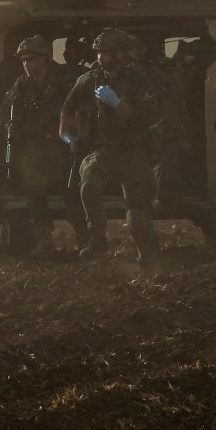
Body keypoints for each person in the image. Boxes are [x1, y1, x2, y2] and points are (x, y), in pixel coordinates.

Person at [61, 28, 163, 266]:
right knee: (88, 183)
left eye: (107, 53)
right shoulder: (90, 79)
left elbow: (149, 116)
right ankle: (97, 240)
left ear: (121, 54)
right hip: (106, 150)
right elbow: (68, 105)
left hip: (134, 150)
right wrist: (64, 133)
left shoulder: (138, 80)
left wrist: (117, 104)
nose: (101, 58)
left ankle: (147, 254)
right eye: (99, 53)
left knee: (137, 207)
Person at [0, 36, 83, 254]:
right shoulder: (22, 83)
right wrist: (10, 124)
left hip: (64, 145)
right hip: (35, 147)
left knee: (72, 194)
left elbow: (81, 109)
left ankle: (85, 240)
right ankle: (44, 240)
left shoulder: (65, 80)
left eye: (32, 59)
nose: (27, 64)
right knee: (33, 190)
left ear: (45, 59)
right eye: (24, 60)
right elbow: (5, 109)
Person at [150, 37, 216, 248]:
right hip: (159, 139)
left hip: (168, 139)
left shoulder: (177, 76)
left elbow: (173, 111)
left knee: (164, 198)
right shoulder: (163, 74)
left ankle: (207, 217)